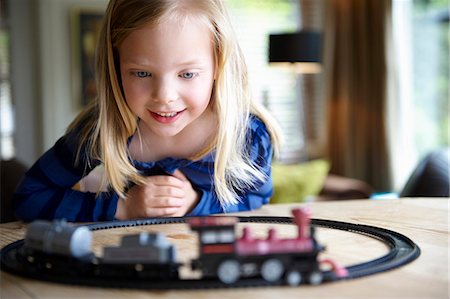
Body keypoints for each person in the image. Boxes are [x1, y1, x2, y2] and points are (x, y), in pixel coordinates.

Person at [14, 0, 281, 222]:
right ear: (116, 68)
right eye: (141, 73)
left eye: (187, 74)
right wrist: (123, 207)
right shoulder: (105, 129)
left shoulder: (245, 135)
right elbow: (29, 196)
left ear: (218, 66)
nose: (164, 96)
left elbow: (256, 199)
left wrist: (198, 203)